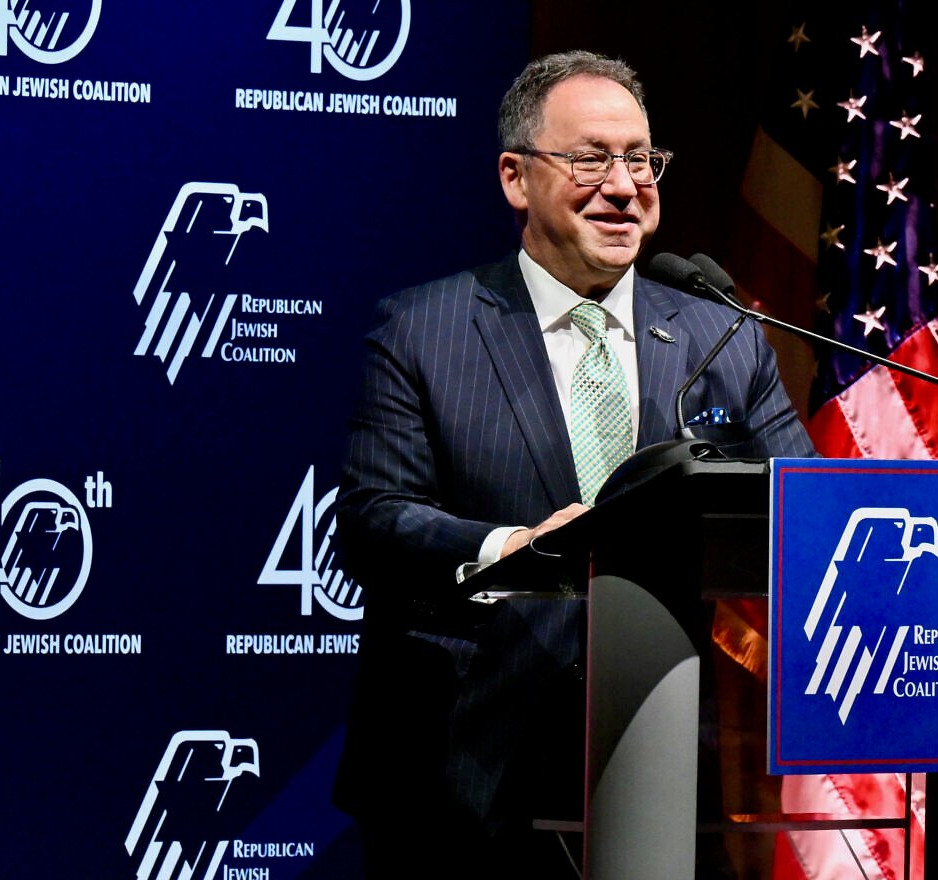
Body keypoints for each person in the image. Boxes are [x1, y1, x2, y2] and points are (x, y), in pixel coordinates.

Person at [332, 49, 815, 878]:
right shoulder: (424, 329)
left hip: (667, 767)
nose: (624, 185)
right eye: (591, 158)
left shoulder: (721, 334)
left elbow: (810, 514)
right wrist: (512, 548)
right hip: (464, 780)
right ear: (517, 179)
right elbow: (374, 521)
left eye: (640, 159)